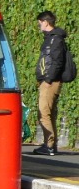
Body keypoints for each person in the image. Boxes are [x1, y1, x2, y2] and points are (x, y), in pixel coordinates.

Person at [34, 10, 66, 155]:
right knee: (49, 114)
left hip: (50, 82)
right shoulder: (51, 38)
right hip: (48, 81)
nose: (39, 26)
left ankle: (49, 145)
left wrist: (47, 80)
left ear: (46, 22)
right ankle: (51, 145)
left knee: (43, 113)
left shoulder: (56, 39)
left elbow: (57, 62)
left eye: (40, 23)